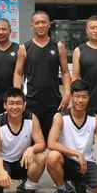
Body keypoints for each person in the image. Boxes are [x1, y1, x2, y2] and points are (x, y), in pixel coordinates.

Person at [45, 79, 97, 193]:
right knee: (52, 157)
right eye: (77, 96)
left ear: (89, 98)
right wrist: (77, 154)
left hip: (86, 164)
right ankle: (62, 192)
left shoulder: (96, 119)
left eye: (84, 97)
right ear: (71, 96)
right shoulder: (61, 117)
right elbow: (51, 143)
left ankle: (80, 183)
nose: (80, 101)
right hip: (67, 162)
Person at [14, 10, 71, 142]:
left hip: (54, 102)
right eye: (37, 23)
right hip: (31, 102)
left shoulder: (58, 46)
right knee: (33, 143)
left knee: (54, 142)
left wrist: (68, 92)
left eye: (43, 22)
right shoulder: (24, 48)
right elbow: (18, 73)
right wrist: (17, 95)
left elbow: (65, 71)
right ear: (32, 25)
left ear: (49, 24)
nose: (40, 25)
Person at [0, 87, 47, 193]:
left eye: (18, 103)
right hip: (4, 162)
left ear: (24, 105)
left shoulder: (31, 118)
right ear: (5, 105)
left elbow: (42, 144)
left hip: (22, 162)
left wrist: (31, 148)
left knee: (40, 157)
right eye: (11, 103)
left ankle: (29, 190)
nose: (15, 107)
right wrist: (1, 171)